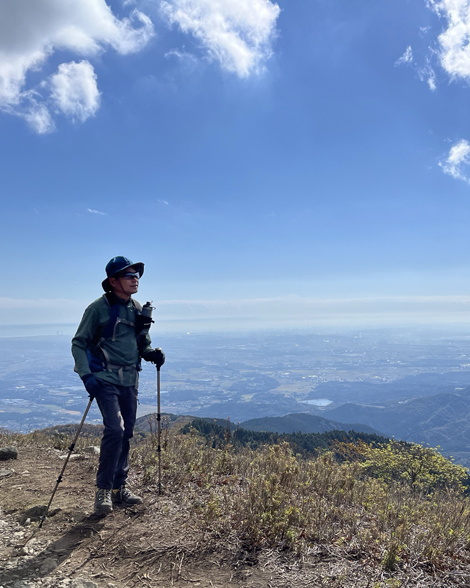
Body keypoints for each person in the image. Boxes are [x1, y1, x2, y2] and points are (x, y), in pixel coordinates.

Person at [71, 256, 165, 514]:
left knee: (127, 433)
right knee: (115, 429)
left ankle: (119, 487)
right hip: (104, 379)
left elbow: (141, 340)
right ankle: (103, 490)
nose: (135, 278)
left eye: (136, 275)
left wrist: (150, 353)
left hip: (130, 379)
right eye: (129, 275)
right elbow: (79, 343)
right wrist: (86, 375)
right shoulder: (97, 309)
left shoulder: (135, 307)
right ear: (113, 281)